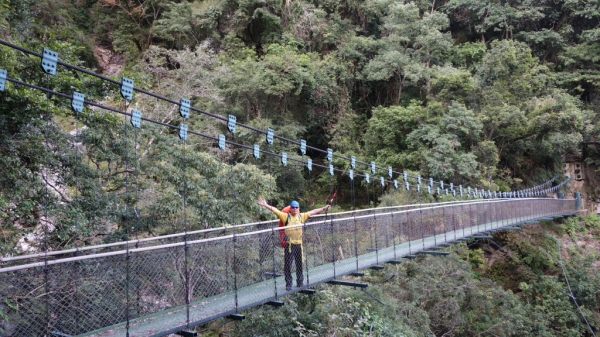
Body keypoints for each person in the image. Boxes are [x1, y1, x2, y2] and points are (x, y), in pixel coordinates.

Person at [257, 198, 331, 291]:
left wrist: (324, 208)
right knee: (288, 265)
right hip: (289, 245)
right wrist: (265, 204)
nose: (295, 209)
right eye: (293, 207)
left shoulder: (301, 216)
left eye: (296, 207)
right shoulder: (286, 217)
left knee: (299, 264)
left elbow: (313, 212)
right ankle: (289, 284)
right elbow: (275, 210)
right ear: (290, 209)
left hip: (298, 244)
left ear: (299, 209)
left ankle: (300, 282)